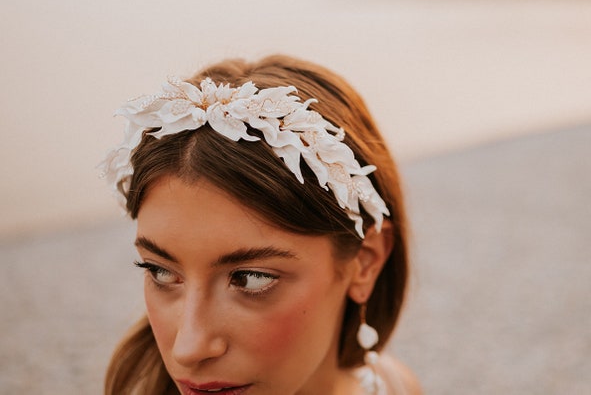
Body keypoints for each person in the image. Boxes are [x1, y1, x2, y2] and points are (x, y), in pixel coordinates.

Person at [101, 54, 421, 395]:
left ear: (365, 263)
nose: (188, 348)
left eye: (250, 279)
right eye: (159, 272)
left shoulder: (394, 386)